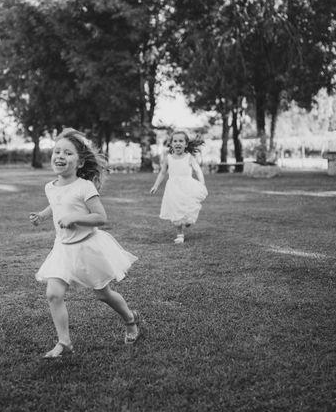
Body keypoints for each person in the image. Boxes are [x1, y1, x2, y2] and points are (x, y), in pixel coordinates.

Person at [30, 129, 141, 359]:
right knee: (53, 294)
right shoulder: (50, 187)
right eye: (57, 151)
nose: (60, 156)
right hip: (63, 249)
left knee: (103, 294)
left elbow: (101, 217)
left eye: (68, 153)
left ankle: (130, 320)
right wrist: (42, 215)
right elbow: (57, 202)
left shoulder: (85, 187)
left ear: (79, 162)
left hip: (88, 247)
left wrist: (75, 218)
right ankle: (64, 342)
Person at [150, 130, 208, 244]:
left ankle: (188, 220)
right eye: (175, 141)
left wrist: (202, 182)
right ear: (171, 144)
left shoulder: (189, 157)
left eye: (181, 141)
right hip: (173, 189)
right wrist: (156, 185)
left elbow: (198, 170)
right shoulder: (168, 158)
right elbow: (162, 173)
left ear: (186, 144)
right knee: (176, 211)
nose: (178, 143)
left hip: (187, 186)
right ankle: (180, 234)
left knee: (189, 206)